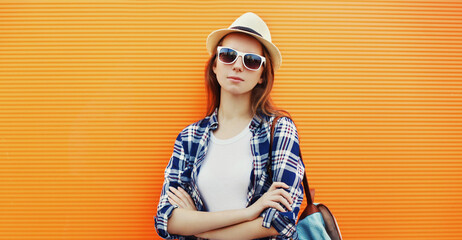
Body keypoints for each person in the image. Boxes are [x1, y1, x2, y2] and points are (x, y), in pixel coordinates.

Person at [154, 12, 305, 240]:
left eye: (252, 61)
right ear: (215, 65)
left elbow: (280, 221)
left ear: (262, 75)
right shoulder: (189, 138)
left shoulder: (279, 130)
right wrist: (249, 213)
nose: (237, 66)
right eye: (227, 55)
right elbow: (167, 219)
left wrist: (199, 228)